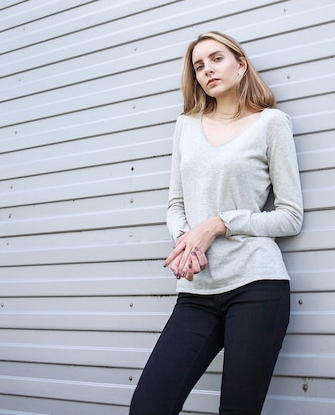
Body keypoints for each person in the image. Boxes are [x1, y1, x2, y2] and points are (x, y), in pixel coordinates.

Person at [129, 31, 303, 415]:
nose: (207, 69)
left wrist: (218, 224)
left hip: (257, 286)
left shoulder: (271, 123)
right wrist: (187, 240)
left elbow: (290, 216)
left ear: (240, 65)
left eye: (216, 58)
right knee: (148, 405)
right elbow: (175, 203)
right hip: (197, 292)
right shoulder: (186, 125)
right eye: (199, 65)